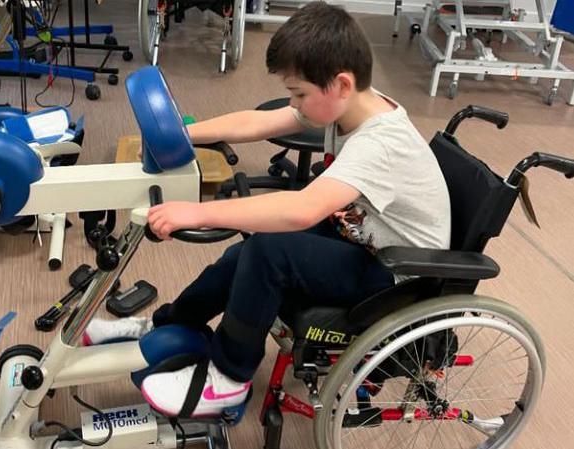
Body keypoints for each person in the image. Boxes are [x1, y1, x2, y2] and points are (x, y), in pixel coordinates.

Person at [84, 1, 451, 417]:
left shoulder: (379, 144)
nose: (294, 103)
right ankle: (168, 325)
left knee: (268, 253)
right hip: (364, 238)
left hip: (397, 273)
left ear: (342, 84)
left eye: (299, 93)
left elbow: (302, 210)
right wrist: (184, 136)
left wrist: (198, 212)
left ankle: (228, 378)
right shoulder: (349, 103)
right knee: (245, 253)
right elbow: (256, 123)